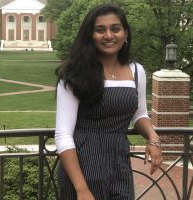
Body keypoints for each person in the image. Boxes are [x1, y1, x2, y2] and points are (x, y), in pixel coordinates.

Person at [55, 4, 163, 200]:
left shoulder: (136, 71)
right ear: (90, 35)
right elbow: (63, 135)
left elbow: (139, 114)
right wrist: (81, 189)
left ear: (125, 33)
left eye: (115, 28)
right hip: (83, 166)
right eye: (100, 30)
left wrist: (153, 137)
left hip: (120, 164)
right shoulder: (74, 74)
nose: (108, 35)